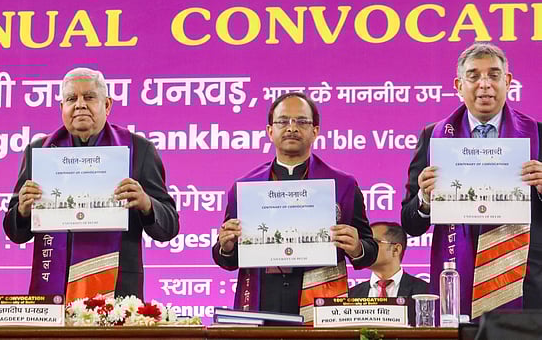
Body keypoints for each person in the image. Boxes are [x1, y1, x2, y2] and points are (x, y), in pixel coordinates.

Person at [3, 67, 179, 300]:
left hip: (118, 292)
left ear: (107, 105)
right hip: (55, 289)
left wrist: (147, 204)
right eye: (71, 99)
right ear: (61, 108)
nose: (80, 105)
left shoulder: (139, 150)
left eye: (89, 97)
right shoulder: (38, 152)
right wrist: (23, 211)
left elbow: (169, 227)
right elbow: (14, 232)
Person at [401, 43, 542, 319]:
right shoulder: (434, 137)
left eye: (493, 75)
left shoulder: (537, 134)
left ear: (508, 81)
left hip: (526, 283)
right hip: (457, 278)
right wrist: (425, 199)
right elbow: (410, 223)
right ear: (459, 84)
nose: (484, 85)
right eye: (474, 76)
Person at [213, 92, 378, 323]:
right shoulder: (245, 187)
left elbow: (369, 252)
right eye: (283, 121)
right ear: (270, 131)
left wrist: (357, 247)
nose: (292, 128)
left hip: (320, 300)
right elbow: (226, 259)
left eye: (301, 121)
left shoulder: (343, 185)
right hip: (262, 299)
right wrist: (227, 246)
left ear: (315, 131)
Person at [349, 222, 428, 298]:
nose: (366, 248)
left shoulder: (424, 292)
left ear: (395, 250)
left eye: (373, 242)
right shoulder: (352, 295)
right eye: (364, 243)